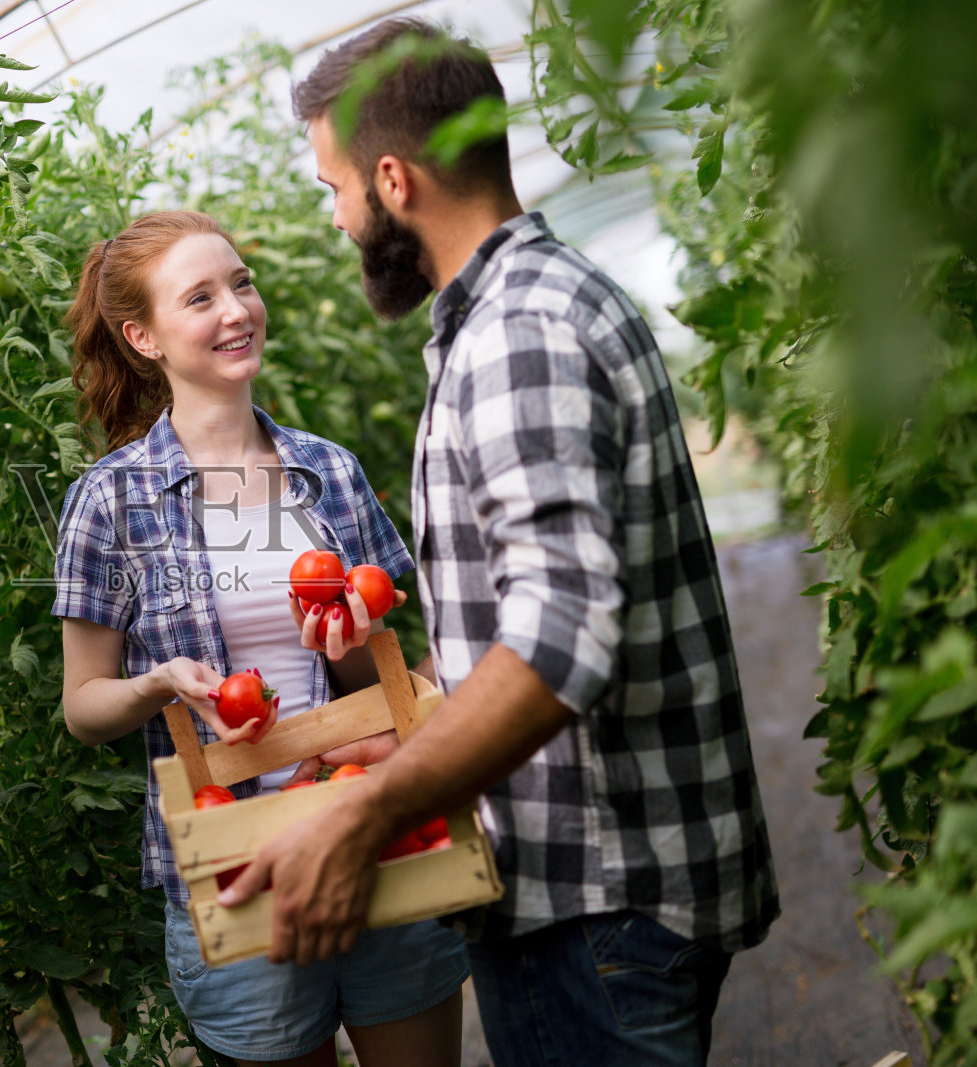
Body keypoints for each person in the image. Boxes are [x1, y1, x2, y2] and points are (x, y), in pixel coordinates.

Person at [217, 19, 781, 1067]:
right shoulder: (531, 308)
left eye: (332, 188)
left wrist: (368, 812)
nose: (336, 218)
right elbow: (526, 615)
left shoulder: (516, 333)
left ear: (391, 181)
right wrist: (416, 726)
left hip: (593, 903)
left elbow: (560, 638)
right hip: (608, 887)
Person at [52, 209, 467, 1067]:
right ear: (144, 336)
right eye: (198, 297)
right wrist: (158, 681)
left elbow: (372, 673)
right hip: (237, 861)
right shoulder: (109, 502)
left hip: (369, 826)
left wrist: (352, 638)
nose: (236, 309)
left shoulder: (330, 470)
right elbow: (84, 706)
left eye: (241, 283)